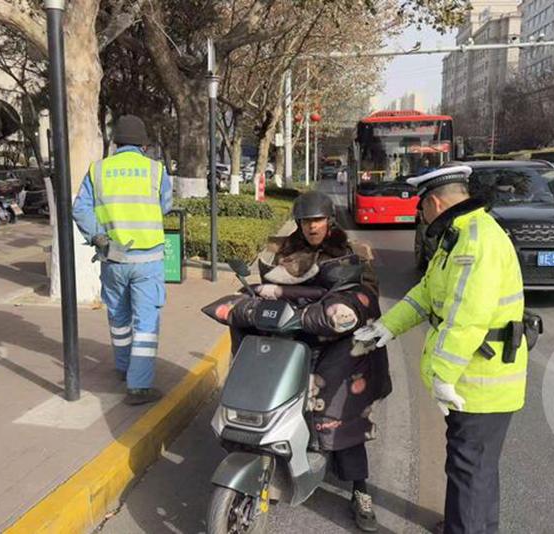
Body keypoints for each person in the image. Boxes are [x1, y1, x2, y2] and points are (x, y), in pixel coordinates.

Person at [354, 166, 527, 534]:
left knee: (469, 469)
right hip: (478, 375)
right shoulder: (459, 235)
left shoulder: (475, 242)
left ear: (434, 202)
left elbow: (468, 318)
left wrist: (443, 375)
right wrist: (388, 326)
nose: (421, 215)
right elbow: (427, 293)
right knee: (476, 467)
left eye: (421, 208)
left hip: (482, 381)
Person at [225, 191, 391, 532]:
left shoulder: (352, 253)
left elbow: (366, 298)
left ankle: (360, 491)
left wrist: (339, 312)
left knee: (342, 415)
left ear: (329, 221)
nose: (312, 227)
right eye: (305, 221)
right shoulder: (284, 250)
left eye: (317, 220)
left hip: (338, 345)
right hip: (292, 337)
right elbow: (268, 285)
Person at [72, 114, 173, 406]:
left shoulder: (98, 170)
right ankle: (139, 386)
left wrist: (99, 236)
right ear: (144, 145)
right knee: (146, 323)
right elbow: (165, 206)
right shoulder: (156, 170)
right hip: (147, 260)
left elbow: (80, 210)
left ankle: (123, 366)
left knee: (119, 317)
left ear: (115, 143)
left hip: (112, 258)